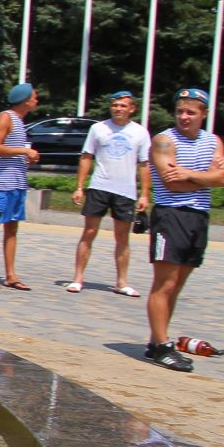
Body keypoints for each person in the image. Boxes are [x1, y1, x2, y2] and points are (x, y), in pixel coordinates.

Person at [144, 88, 224, 372]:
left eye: (191, 112)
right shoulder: (164, 141)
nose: (184, 117)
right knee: (165, 283)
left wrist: (191, 174)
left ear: (203, 114)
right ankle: (162, 347)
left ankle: (157, 340)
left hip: (198, 216)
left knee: (178, 284)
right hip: (171, 215)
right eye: (180, 111)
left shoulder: (212, 141)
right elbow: (172, 183)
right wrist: (209, 177)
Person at [67, 90, 152, 295]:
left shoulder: (140, 132)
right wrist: (79, 186)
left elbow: (144, 164)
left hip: (126, 190)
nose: (118, 109)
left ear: (132, 109)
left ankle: (121, 282)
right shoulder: (98, 128)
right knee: (89, 232)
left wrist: (145, 193)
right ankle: (78, 278)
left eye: (123, 105)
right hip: (99, 186)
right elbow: (86, 157)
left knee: (122, 237)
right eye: (115, 105)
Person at [0, 83, 40, 290]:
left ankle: (11, 275)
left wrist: (27, 157)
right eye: (34, 97)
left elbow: (11, 150)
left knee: (12, 228)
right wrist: (24, 151)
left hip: (18, 183)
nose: (37, 101)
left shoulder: (20, 122)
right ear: (25, 100)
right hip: (2, 184)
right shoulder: (5, 117)